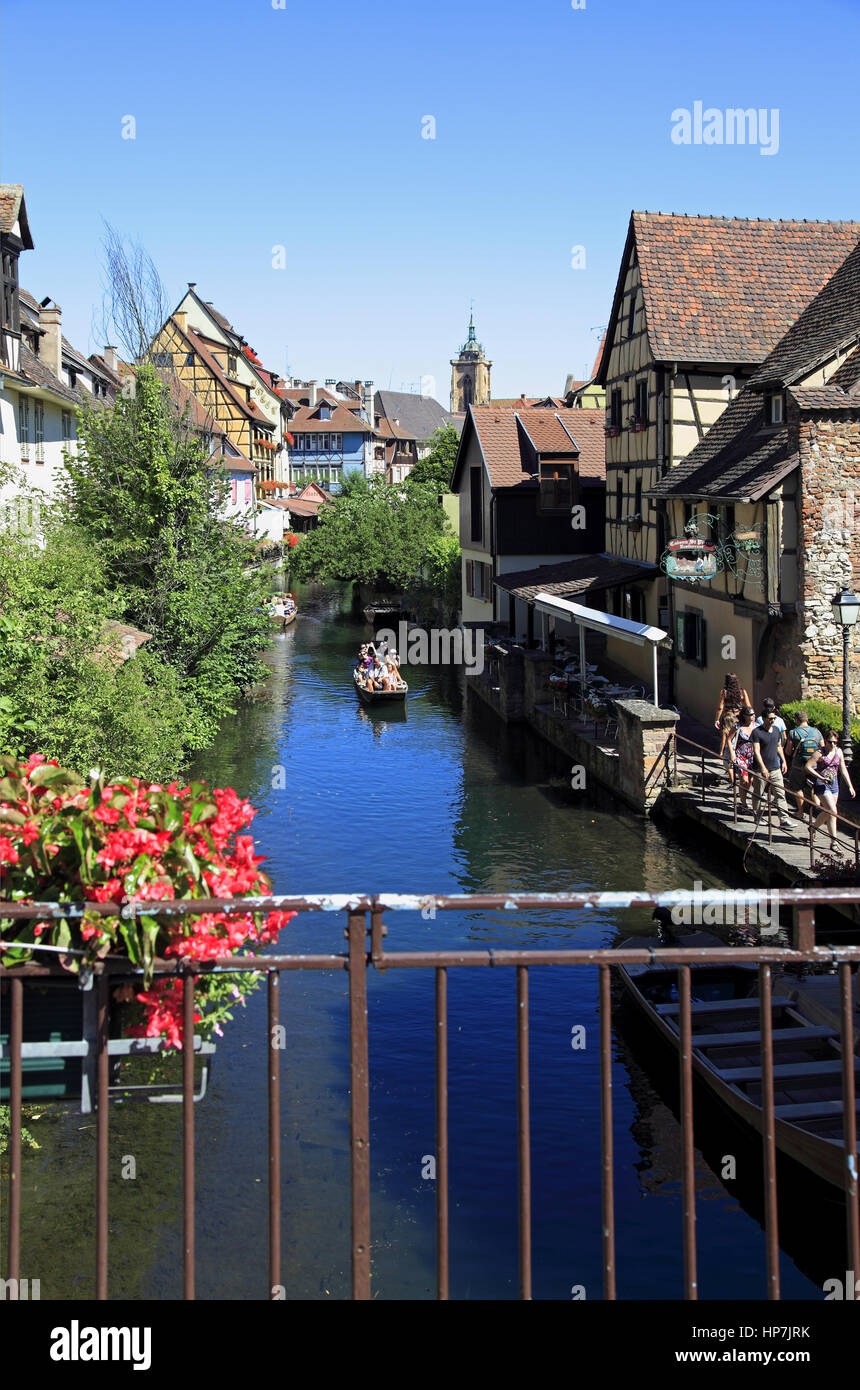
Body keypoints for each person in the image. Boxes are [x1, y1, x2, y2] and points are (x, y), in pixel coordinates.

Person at [805, 729, 856, 846]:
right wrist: (820, 777)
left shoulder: (839, 752)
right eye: (830, 742)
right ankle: (835, 843)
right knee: (833, 811)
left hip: (834, 785)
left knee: (830, 813)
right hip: (821, 784)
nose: (832, 744)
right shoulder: (819, 753)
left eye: (835, 742)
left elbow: (843, 769)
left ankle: (814, 828)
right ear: (825, 741)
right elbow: (808, 767)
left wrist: (850, 786)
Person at [751, 707, 793, 831]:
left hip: (775, 768)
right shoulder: (757, 732)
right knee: (758, 793)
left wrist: (784, 761)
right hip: (761, 769)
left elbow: (779, 746)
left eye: (774, 718)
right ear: (763, 719)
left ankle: (784, 819)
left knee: (780, 794)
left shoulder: (776, 730)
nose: (772, 721)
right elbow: (756, 751)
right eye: (770, 718)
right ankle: (757, 816)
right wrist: (763, 768)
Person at [785, 711, 823, 821]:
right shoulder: (816, 732)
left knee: (797, 788)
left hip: (798, 765)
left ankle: (800, 812)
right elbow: (822, 748)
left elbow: (788, 751)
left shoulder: (793, 733)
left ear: (797, 720)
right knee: (814, 788)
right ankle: (817, 808)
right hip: (813, 766)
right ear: (807, 719)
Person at [729, 706, 758, 814]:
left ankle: (745, 800)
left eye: (754, 714)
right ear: (744, 716)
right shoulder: (737, 726)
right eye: (750, 715)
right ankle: (744, 803)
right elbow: (729, 739)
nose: (753, 716)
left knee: (750, 781)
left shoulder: (757, 726)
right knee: (744, 780)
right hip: (741, 755)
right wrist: (732, 754)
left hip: (753, 756)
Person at [718, 708, 739, 784]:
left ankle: (733, 782)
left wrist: (721, 751)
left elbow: (723, 742)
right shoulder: (737, 729)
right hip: (736, 748)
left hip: (728, 749)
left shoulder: (725, 731)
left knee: (728, 765)